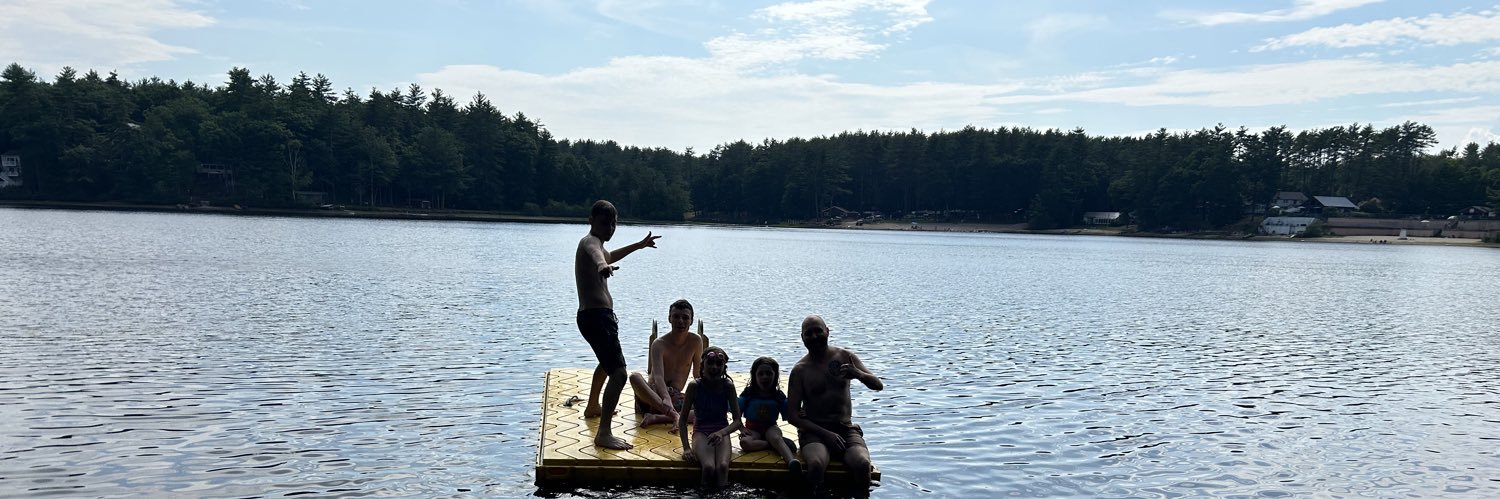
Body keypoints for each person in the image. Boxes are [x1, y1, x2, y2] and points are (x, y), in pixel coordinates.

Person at [575, 199, 661, 450]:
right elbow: (598, 257)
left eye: (613, 223)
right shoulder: (590, 242)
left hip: (595, 317)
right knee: (620, 373)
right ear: (591, 221)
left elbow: (608, 255)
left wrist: (640, 245)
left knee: (606, 362)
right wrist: (603, 266)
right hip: (597, 318)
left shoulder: (599, 245)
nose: (610, 228)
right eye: (604, 223)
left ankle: (593, 406)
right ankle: (603, 433)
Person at [786, 315, 883, 489]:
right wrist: (825, 434)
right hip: (815, 431)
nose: (814, 336)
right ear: (802, 338)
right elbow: (792, 415)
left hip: (845, 429)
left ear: (827, 331)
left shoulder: (845, 356)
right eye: (809, 333)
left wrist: (859, 375)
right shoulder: (800, 370)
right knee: (816, 464)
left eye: (818, 331)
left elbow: (878, 385)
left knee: (862, 464)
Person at [628, 299, 703, 430]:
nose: (680, 321)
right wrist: (665, 398)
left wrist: (710, 393)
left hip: (676, 398)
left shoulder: (696, 341)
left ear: (691, 320)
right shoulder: (659, 344)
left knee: (707, 410)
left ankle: (659, 417)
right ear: (669, 318)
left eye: (685, 317)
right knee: (635, 377)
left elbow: (697, 374)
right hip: (652, 396)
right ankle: (674, 416)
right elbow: (658, 377)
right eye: (676, 317)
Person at [678, 346, 743, 489]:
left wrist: (722, 433)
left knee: (722, 466)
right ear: (702, 365)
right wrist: (686, 448)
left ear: (724, 367)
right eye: (710, 363)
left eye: (719, 364)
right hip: (701, 431)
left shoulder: (728, 386)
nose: (714, 367)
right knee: (708, 467)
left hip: (721, 430)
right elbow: (682, 420)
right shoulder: (694, 386)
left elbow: (738, 420)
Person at [738, 356, 800, 474]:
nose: (764, 377)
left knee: (776, 438)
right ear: (754, 376)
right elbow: (737, 412)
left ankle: (791, 461)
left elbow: (789, 413)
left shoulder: (777, 395)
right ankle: (771, 445)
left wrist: (798, 411)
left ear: (775, 375)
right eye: (760, 374)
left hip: (770, 427)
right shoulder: (749, 394)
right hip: (753, 428)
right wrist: (741, 428)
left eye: (768, 373)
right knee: (745, 443)